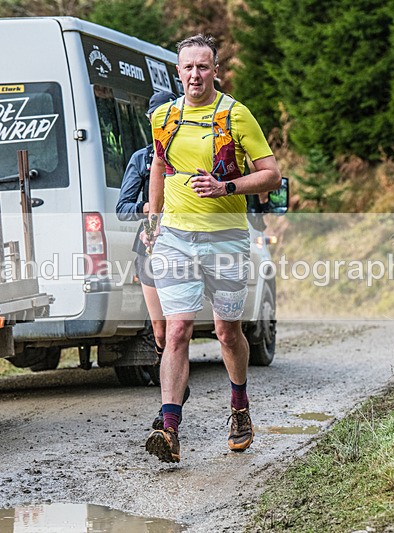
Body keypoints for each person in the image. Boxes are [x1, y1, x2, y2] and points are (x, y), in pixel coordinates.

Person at [143, 34, 281, 463]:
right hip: (176, 239)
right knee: (177, 331)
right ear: (178, 72)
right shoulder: (164, 117)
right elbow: (159, 166)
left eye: (203, 67)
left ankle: (239, 407)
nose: (195, 75)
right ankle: (169, 430)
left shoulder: (235, 115)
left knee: (227, 332)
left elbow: (272, 175)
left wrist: (226, 186)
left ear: (215, 70)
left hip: (226, 237)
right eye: (188, 67)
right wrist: (152, 217)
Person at [115, 90, 190, 430]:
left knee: (177, 330)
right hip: (148, 250)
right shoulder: (141, 158)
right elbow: (122, 207)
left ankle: (167, 410)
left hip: (186, 248)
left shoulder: (189, 154)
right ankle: (177, 386)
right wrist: (148, 209)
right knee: (160, 333)